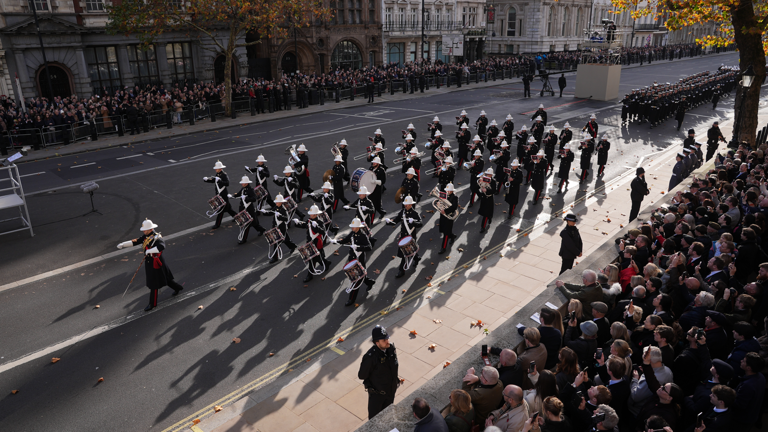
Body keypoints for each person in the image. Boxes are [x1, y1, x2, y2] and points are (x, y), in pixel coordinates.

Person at [117, 219, 184, 311]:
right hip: (150, 262)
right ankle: (178, 287)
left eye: (145, 230)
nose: (143, 231)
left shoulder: (157, 237)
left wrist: (150, 251)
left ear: (150, 229)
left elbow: (162, 246)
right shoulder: (146, 236)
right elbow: (137, 241)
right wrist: (124, 244)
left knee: (154, 284)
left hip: (156, 262)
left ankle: (153, 304)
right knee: (165, 279)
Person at [330, 217, 376, 305]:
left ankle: (352, 299)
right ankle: (369, 282)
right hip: (352, 258)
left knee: (356, 279)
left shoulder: (363, 236)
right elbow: (346, 240)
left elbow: (369, 247)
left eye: (354, 226)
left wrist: (358, 247)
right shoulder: (352, 233)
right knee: (361, 276)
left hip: (359, 260)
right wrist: (337, 241)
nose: (352, 228)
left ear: (358, 227)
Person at [358, 325, 399, 420]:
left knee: (388, 417)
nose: (387, 341)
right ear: (376, 342)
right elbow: (362, 375)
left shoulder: (391, 349)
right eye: (384, 340)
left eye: (387, 338)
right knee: (375, 420)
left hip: (391, 392)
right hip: (378, 396)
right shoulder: (370, 357)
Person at [384, 195, 423, 278]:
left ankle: (401, 271)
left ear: (411, 204)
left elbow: (420, 223)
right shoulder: (402, 212)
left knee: (406, 254)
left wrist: (414, 222)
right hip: (403, 236)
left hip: (410, 237)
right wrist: (389, 222)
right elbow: (396, 220)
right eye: (405, 204)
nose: (406, 205)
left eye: (407, 204)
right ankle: (416, 258)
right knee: (408, 252)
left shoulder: (415, 214)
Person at [293, 205, 331, 283]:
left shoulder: (320, 222)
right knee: (316, 258)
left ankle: (310, 275)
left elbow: (323, 231)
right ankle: (326, 263)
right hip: (310, 242)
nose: (310, 214)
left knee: (312, 259)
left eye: (312, 213)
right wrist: (298, 223)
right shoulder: (309, 220)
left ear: (316, 214)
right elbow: (304, 225)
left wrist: (316, 226)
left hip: (317, 242)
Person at [258, 194, 297, 263]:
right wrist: (265, 212)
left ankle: (275, 257)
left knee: (278, 241)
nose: (276, 203)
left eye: (277, 202)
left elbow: (286, 219)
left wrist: (279, 216)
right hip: (275, 226)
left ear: (281, 202)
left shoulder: (283, 210)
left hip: (282, 227)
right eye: (276, 202)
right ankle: (292, 246)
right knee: (284, 239)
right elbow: (271, 213)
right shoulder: (276, 207)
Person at [731, 352, 766, 429]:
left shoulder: (748, 385)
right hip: (751, 416)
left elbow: (739, 405)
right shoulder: (760, 376)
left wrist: (727, 397)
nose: (741, 361)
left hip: (741, 420)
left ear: (748, 368)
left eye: (743, 361)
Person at [230, 175, 266, 244]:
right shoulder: (243, 189)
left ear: (246, 183)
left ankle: (244, 239)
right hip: (243, 209)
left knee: (246, 224)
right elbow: (238, 194)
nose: (241, 184)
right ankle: (262, 229)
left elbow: (254, 199)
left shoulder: (250, 190)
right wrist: (232, 196)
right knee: (254, 223)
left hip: (249, 210)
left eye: (243, 183)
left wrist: (246, 198)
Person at [203, 160, 237, 229]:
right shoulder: (218, 174)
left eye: (216, 168)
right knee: (228, 209)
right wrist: (207, 180)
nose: (215, 170)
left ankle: (217, 224)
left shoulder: (224, 175)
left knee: (220, 210)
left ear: (220, 168)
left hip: (223, 194)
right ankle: (237, 217)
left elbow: (227, 183)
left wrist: (220, 181)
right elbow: (214, 180)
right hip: (219, 194)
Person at [438, 183, 459, 254]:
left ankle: (443, 248)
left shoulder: (455, 197)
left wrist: (445, 211)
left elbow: (454, 207)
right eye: (447, 190)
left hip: (449, 216)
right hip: (443, 216)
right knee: (444, 230)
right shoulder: (444, 196)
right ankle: (452, 236)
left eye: (449, 190)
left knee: (446, 233)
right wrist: (439, 204)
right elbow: (441, 204)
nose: (448, 191)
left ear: (452, 191)